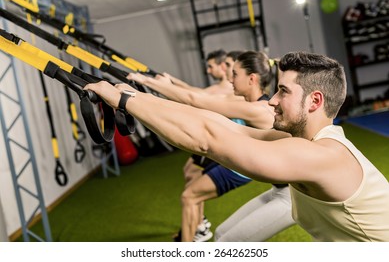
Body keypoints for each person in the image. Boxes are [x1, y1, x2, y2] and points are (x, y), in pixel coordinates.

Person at [85, 51, 389, 241]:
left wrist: (124, 101)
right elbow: (221, 127)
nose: (271, 100)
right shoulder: (300, 141)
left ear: (315, 101)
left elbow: (208, 139)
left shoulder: (321, 155)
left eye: (283, 91)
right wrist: (137, 99)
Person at [129, 51, 295, 242]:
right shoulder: (246, 103)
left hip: (292, 197)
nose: (230, 79)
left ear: (251, 79)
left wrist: (144, 85)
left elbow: (195, 100)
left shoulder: (257, 109)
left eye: (234, 74)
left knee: (221, 237)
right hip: (278, 189)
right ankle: (197, 230)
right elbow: (197, 98)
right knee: (220, 235)